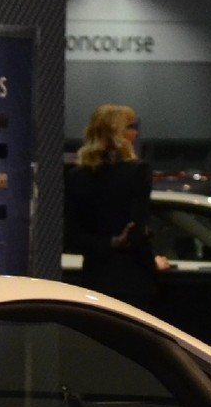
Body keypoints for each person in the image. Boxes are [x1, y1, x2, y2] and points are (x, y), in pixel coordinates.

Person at [63, 104, 163, 303]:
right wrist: (153, 263)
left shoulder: (76, 176)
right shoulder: (138, 172)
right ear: (120, 133)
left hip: (94, 281)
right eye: (132, 127)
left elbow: (72, 236)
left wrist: (109, 243)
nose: (135, 133)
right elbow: (136, 232)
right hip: (133, 281)